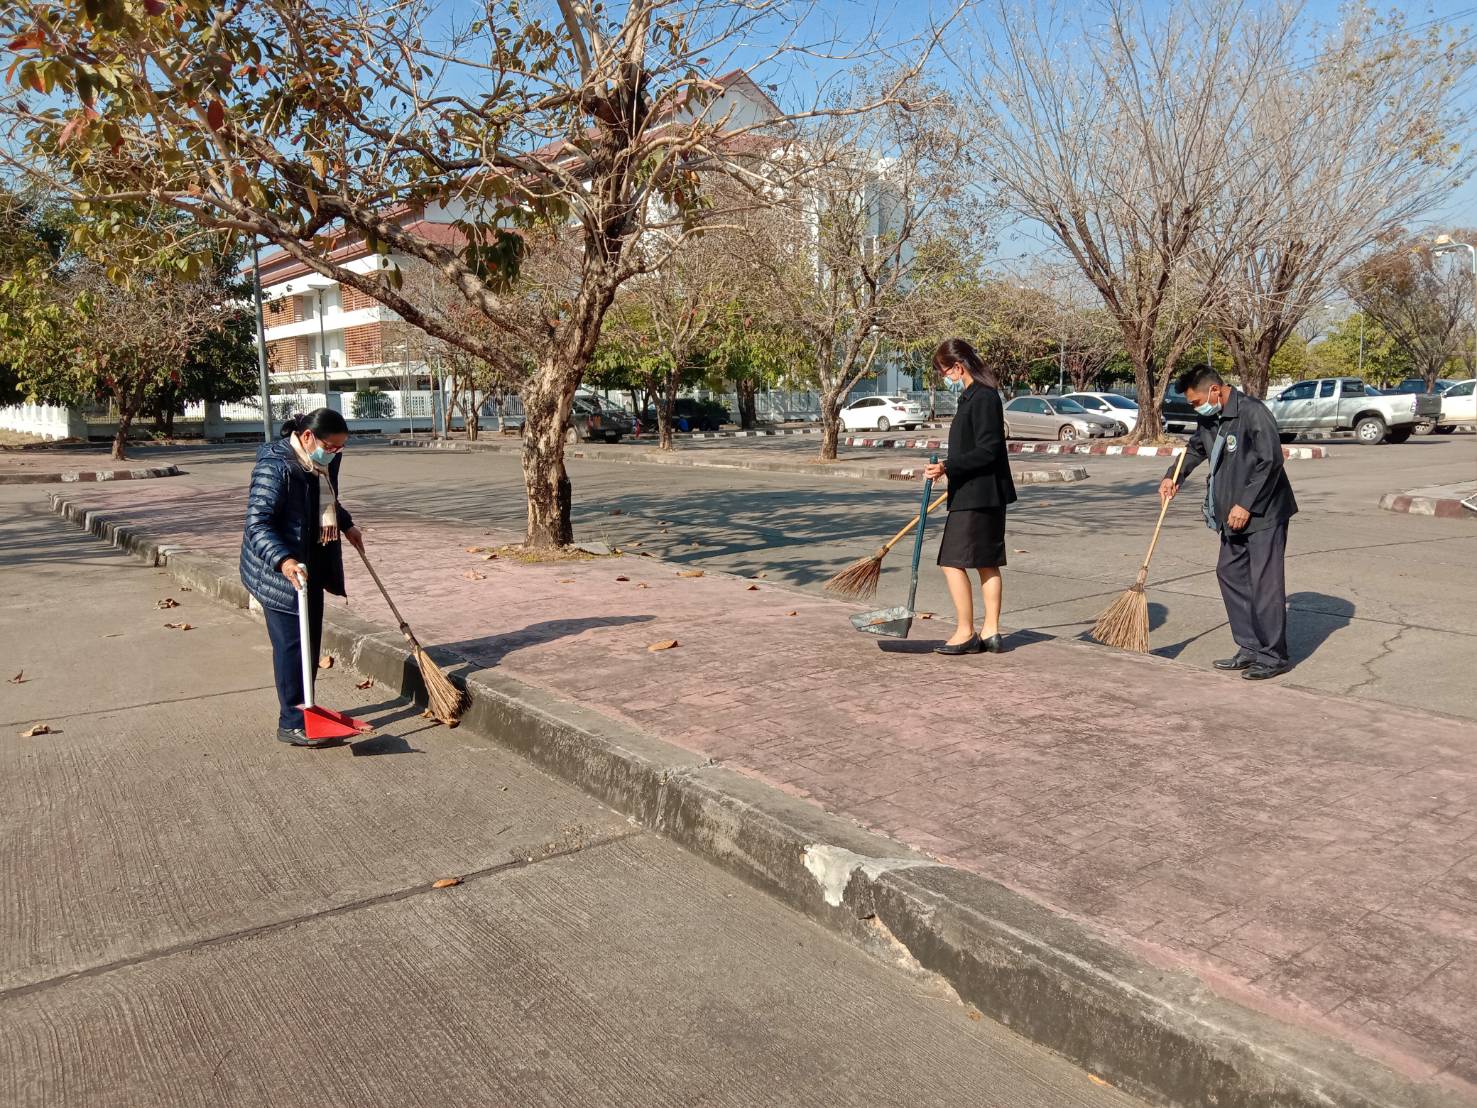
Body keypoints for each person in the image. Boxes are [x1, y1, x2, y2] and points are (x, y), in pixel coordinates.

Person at [1160, 365, 1298, 680]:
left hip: (1264, 513)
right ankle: (1249, 646)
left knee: (1264, 583)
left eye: (1196, 402)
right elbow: (1195, 449)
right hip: (1231, 516)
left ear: (1214, 390)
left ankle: (1273, 656)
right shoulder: (1210, 419)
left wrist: (1246, 504)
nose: (1196, 408)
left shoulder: (1252, 412)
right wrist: (1172, 477)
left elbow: (1270, 461)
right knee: (1229, 573)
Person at [240, 409, 363, 745]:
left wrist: (346, 524)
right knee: (292, 647)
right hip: (279, 570)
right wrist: (283, 560)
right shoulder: (275, 466)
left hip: (312, 565)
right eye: (330, 447)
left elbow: (327, 498)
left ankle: (307, 706)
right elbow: (257, 524)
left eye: (340, 448)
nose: (334, 453)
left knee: (310, 642)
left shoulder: (322, 460)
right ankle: (292, 722)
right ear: (308, 437)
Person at [922, 338, 1018, 656]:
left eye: (944, 371)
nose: (944, 377)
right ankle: (991, 632)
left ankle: (966, 632)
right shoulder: (976, 396)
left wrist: (947, 466)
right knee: (987, 563)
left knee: (952, 562)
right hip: (980, 493)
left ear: (958, 366)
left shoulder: (983, 396)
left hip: (978, 496)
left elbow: (988, 450)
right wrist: (948, 470)